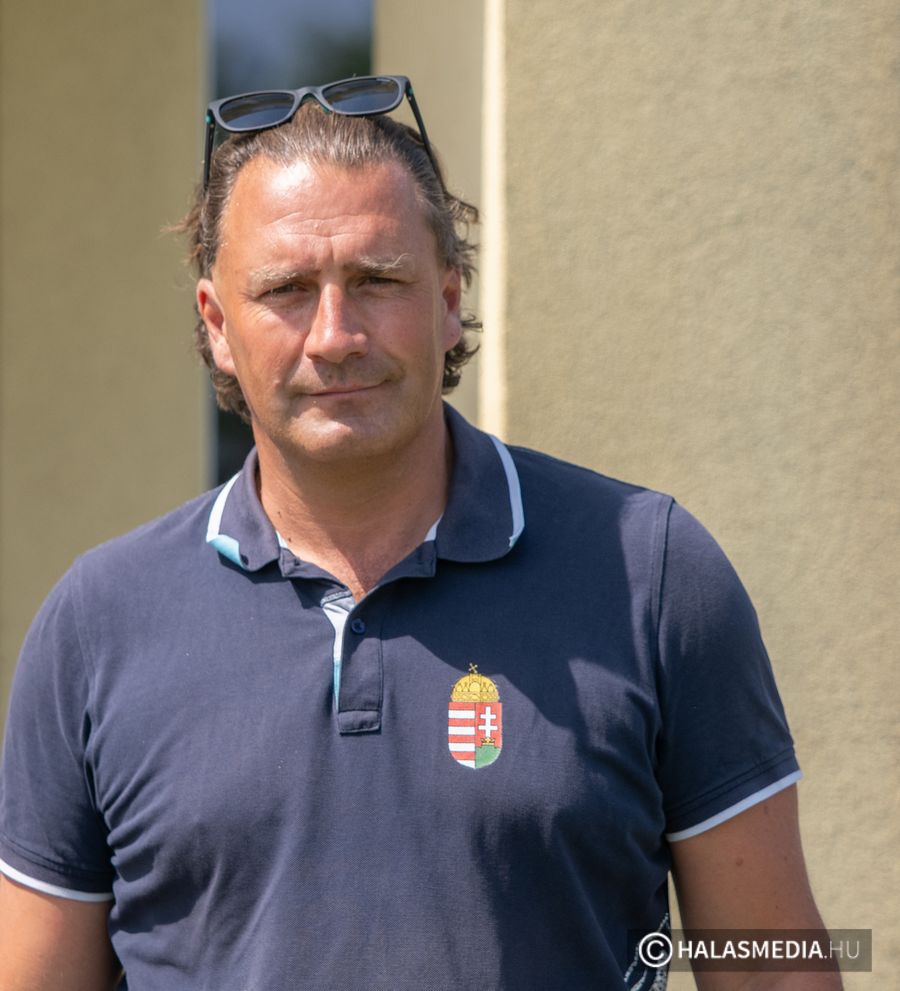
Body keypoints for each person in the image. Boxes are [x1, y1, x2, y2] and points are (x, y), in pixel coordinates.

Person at [0, 76, 838, 990]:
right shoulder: (100, 622)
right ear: (217, 325)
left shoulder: (652, 573)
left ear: (447, 298)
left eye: (377, 280)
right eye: (286, 289)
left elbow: (774, 964)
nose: (336, 335)